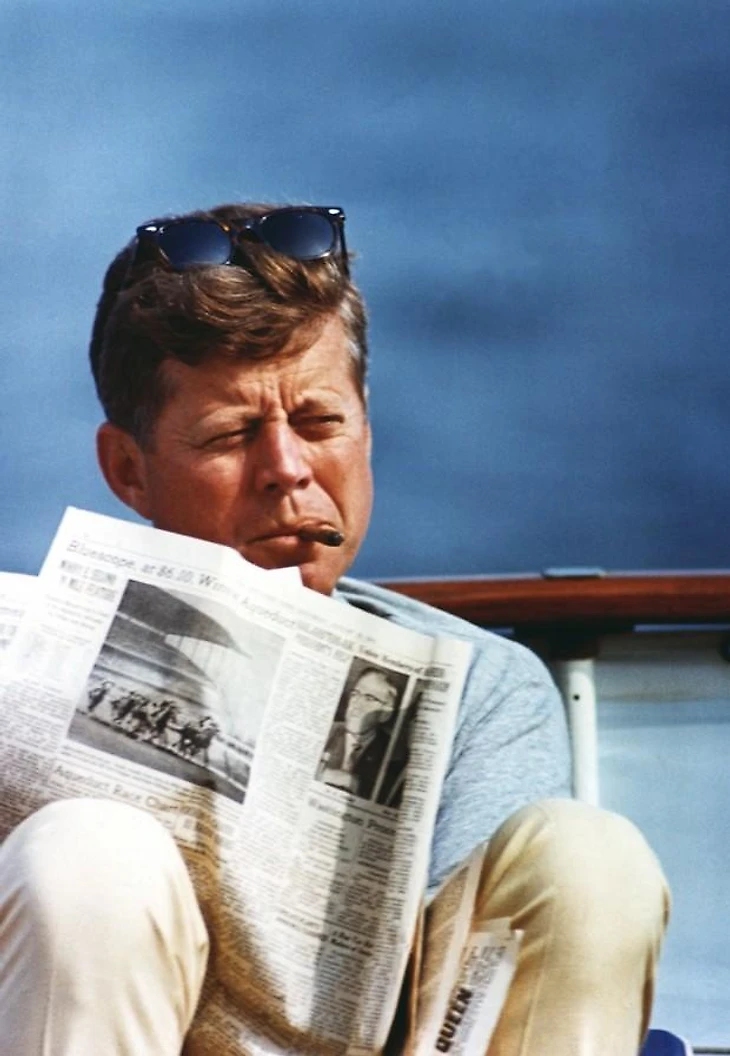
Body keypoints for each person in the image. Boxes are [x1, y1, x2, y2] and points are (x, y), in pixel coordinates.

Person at [0, 202, 670, 1055]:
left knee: (590, 858)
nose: (287, 470)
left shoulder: (481, 689)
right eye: (232, 435)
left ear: (366, 430)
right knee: (84, 853)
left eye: (320, 424)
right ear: (129, 470)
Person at [317, 665, 407, 801]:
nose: (356, 703)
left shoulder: (395, 754)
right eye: (355, 694)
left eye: (369, 698)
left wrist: (356, 784)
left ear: (385, 714)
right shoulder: (326, 730)